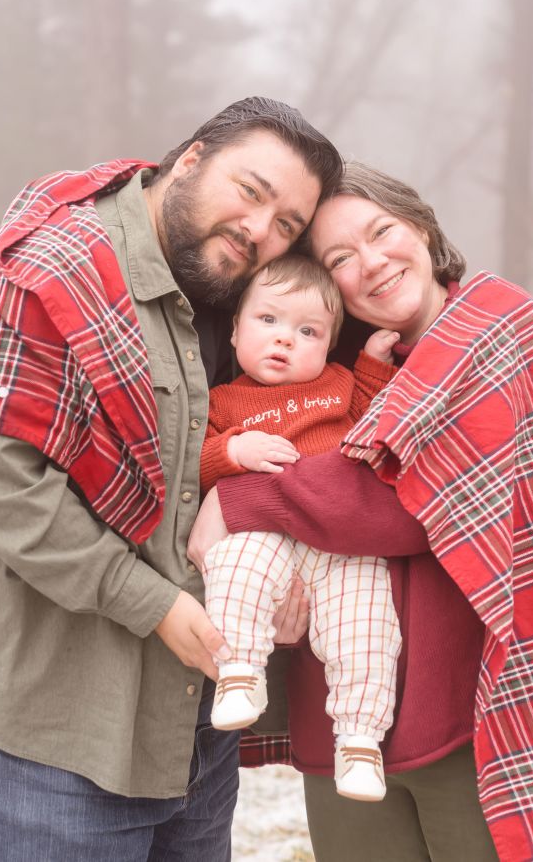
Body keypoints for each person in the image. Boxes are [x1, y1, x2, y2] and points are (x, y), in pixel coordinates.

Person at [0, 96, 343, 862]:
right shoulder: (56, 271)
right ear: (191, 159)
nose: (260, 230)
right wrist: (152, 602)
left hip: (192, 739)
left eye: (287, 225)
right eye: (251, 191)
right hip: (51, 742)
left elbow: (255, 456)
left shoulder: (245, 308)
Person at [188, 161, 533, 862]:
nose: (370, 264)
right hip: (341, 723)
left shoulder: (497, 329)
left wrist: (242, 496)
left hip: (466, 713)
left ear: (424, 229)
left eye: (382, 233)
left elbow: (407, 501)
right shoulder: (326, 364)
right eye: (340, 258)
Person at [199, 252, 403, 801]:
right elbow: (197, 459)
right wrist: (233, 449)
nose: (285, 340)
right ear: (236, 330)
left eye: (307, 330)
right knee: (233, 567)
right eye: (268, 321)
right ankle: (239, 671)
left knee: (366, 621)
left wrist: (376, 359)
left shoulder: (338, 384)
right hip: (264, 532)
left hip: (339, 542)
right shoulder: (222, 401)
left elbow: (373, 404)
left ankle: (360, 741)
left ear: (330, 343)